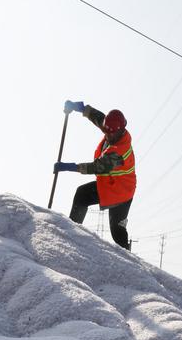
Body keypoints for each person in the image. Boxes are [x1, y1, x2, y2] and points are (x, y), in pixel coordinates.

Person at [54, 101, 136, 251]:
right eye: (107, 131)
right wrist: (80, 107)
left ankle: (129, 261)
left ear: (121, 131)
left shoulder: (119, 152)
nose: (108, 135)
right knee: (82, 195)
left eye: (112, 133)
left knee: (117, 231)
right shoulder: (112, 129)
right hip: (110, 185)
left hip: (122, 193)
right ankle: (72, 234)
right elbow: (98, 117)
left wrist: (69, 167)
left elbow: (96, 167)